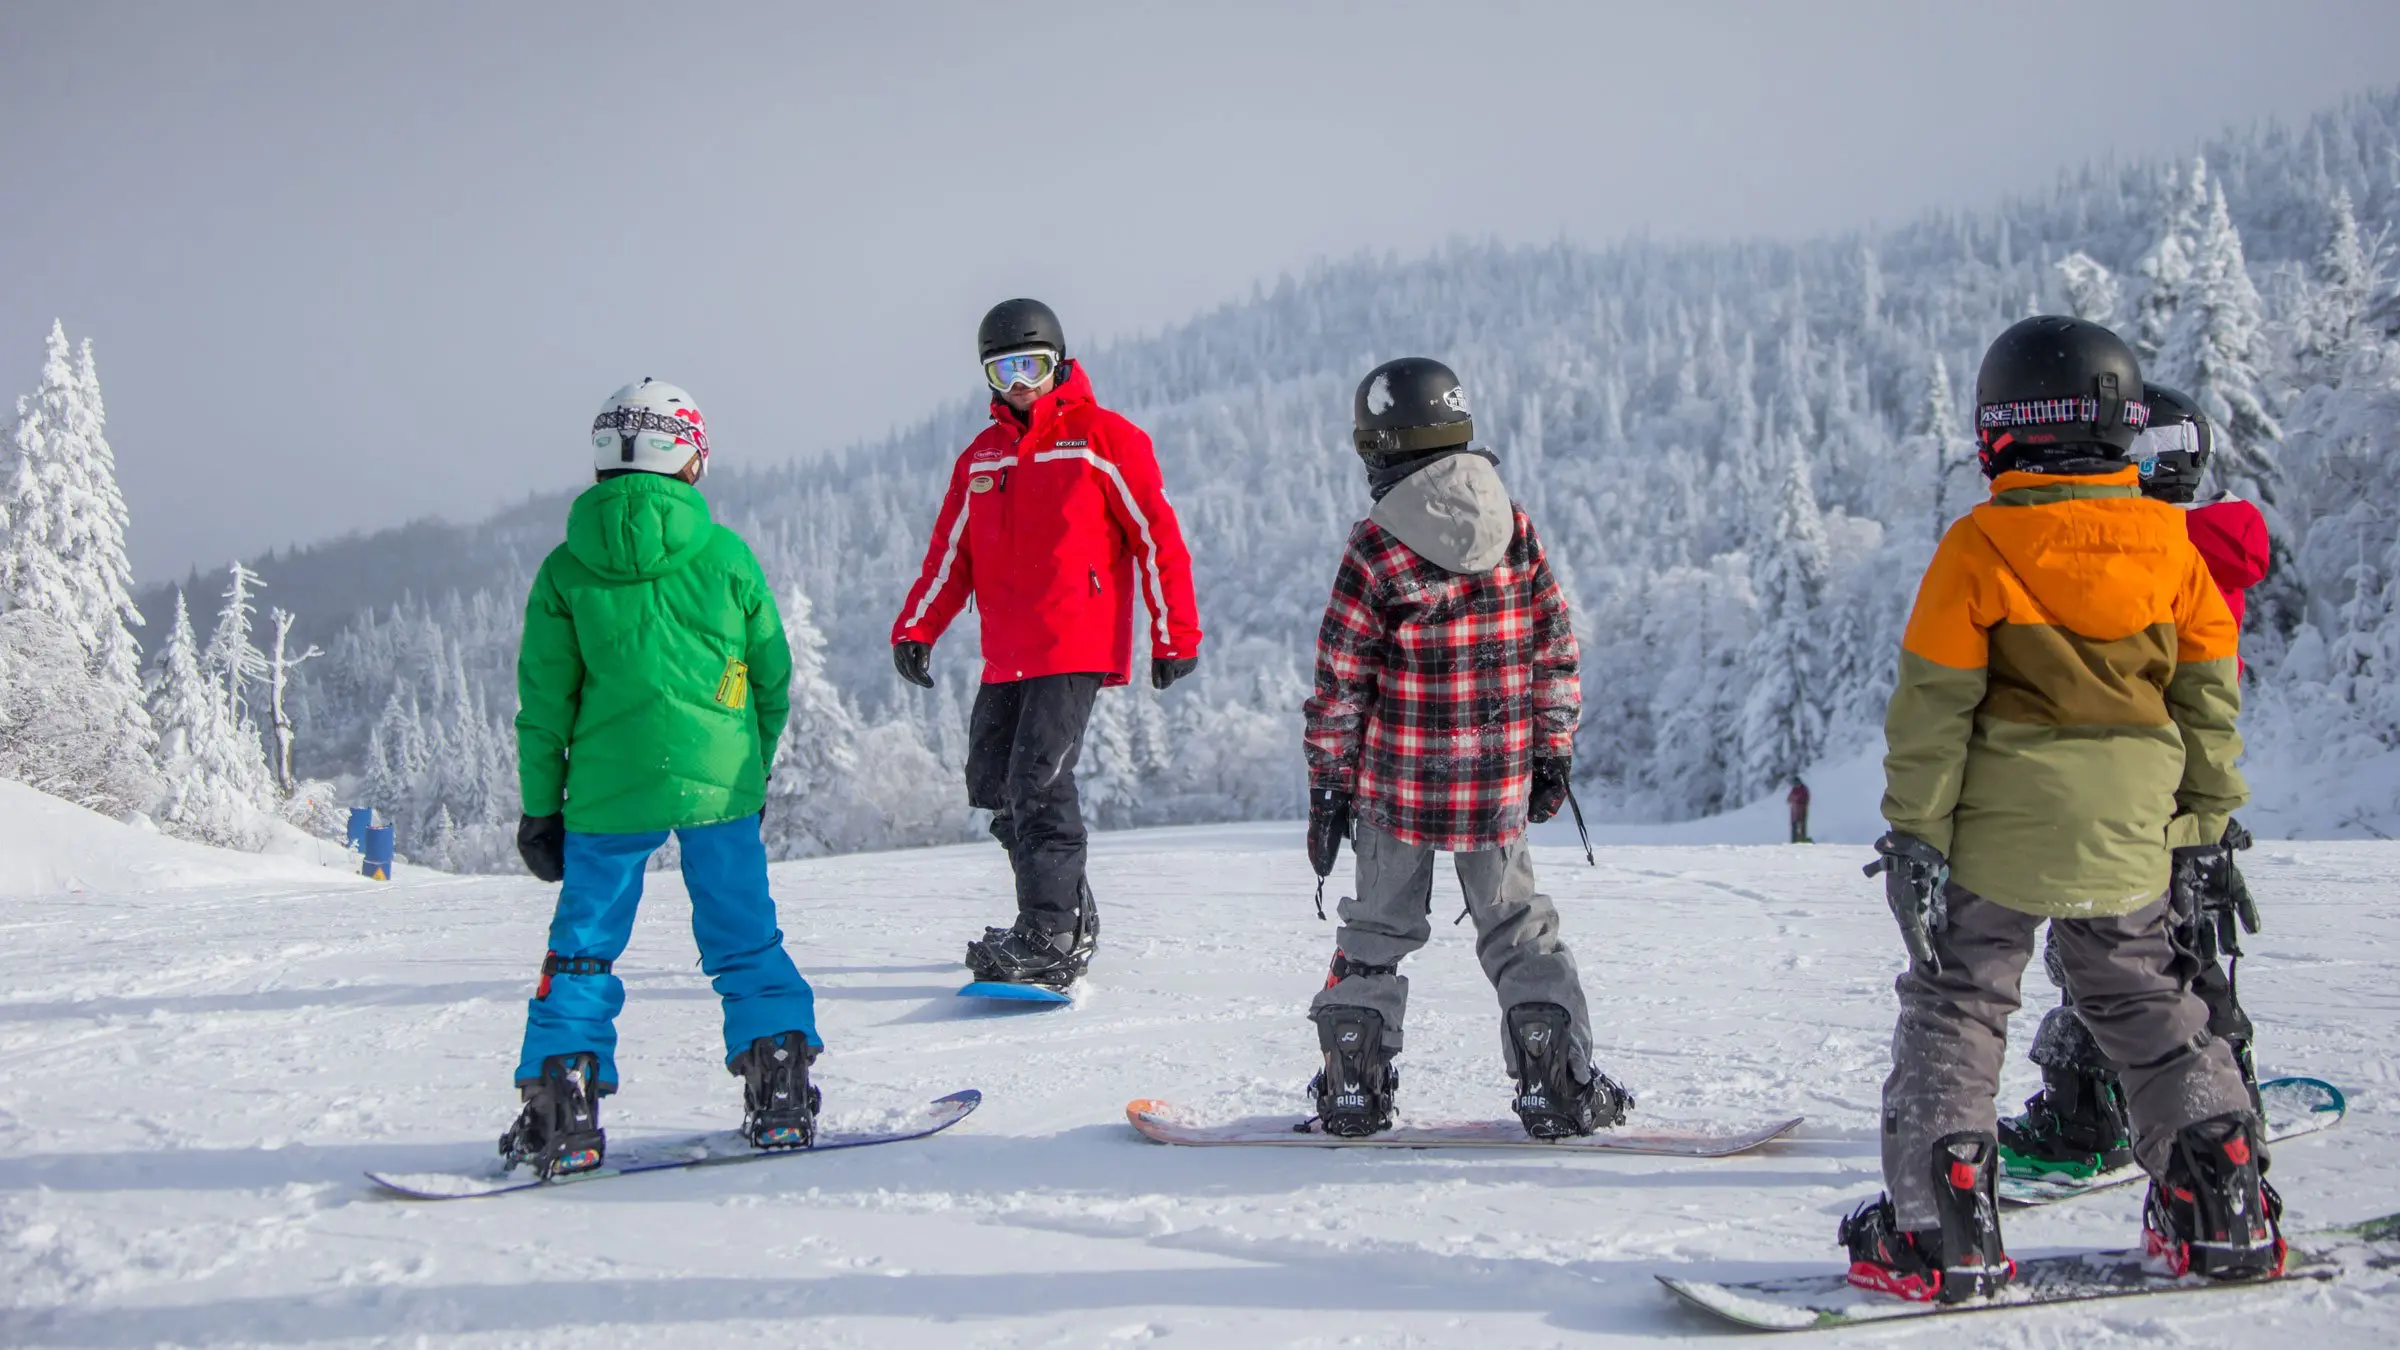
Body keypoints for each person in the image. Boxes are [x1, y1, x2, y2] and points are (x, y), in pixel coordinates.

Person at [1842, 317, 2283, 1304]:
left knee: (1959, 1001)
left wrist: (1915, 832)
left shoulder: (1981, 544)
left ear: (1999, 428)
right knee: (2147, 1002)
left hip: (1999, 837)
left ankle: (1941, 1223)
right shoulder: (2175, 550)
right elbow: (2211, 706)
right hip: (2133, 836)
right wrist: (2206, 830)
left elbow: (1933, 710)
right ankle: (2223, 1197)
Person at [1301, 356, 1633, 1140]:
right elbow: (1556, 646)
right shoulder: (1514, 527)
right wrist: (1552, 750)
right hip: (1495, 786)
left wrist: (1328, 785)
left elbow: (1341, 682)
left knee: (1374, 934)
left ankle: (1354, 1085)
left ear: (1381, 447)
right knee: (1518, 930)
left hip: (1398, 788)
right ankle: (1558, 1085)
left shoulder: (1376, 546)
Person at [503, 378, 820, 1178]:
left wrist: (542, 810)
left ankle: (562, 1104)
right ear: (690, 455)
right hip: (720, 788)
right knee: (746, 938)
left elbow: (545, 707)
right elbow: (774, 678)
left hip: (608, 795)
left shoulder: (564, 571)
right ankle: (778, 1081)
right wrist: (748, 766)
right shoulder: (725, 556)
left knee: (582, 950)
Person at [1998, 383, 2272, 1179]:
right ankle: (2218, 1095)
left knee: (2114, 962)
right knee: (2175, 957)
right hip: (2190, 791)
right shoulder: (2207, 547)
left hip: (2138, 793)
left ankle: (2093, 1121)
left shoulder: (2145, 552)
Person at [891, 299, 1203, 989]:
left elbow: (1157, 539)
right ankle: (1060, 909)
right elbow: (951, 556)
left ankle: (1051, 934)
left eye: (1030, 366)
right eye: (1004, 371)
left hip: (1075, 642)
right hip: (1008, 649)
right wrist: (918, 627)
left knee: (1038, 782)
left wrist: (1173, 631)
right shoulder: (982, 457)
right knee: (993, 782)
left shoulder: (1103, 439)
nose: (1020, 383)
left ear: (1058, 362)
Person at [1787, 777, 1812, 844]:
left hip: (1802, 812)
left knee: (1802, 827)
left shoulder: (1803, 789)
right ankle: (1794, 841)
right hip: (1794, 813)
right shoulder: (1794, 789)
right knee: (1794, 827)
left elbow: (1805, 799)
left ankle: (1802, 839)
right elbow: (1789, 799)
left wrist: (1796, 800)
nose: (1796, 785)